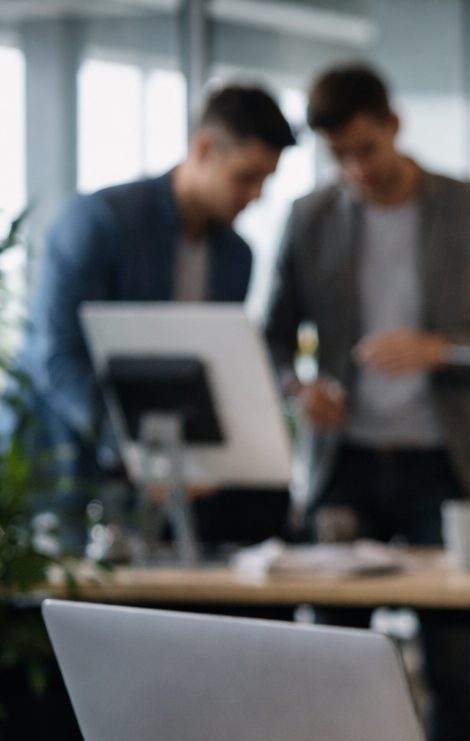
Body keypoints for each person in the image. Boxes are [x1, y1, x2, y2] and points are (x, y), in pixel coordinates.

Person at [265, 63, 470, 741]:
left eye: (366, 150)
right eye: (340, 156)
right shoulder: (309, 217)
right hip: (345, 464)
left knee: (457, 667)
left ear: (393, 126)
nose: (356, 170)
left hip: (444, 469)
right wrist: (298, 388)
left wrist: (437, 347)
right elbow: (272, 336)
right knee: (337, 660)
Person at [15, 84, 295, 547]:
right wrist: (130, 447)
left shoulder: (236, 257)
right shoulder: (98, 223)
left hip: (156, 482)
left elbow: (207, 371)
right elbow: (55, 357)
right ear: (203, 149)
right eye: (246, 176)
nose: (256, 194)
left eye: (266, 179)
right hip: (63, 463)